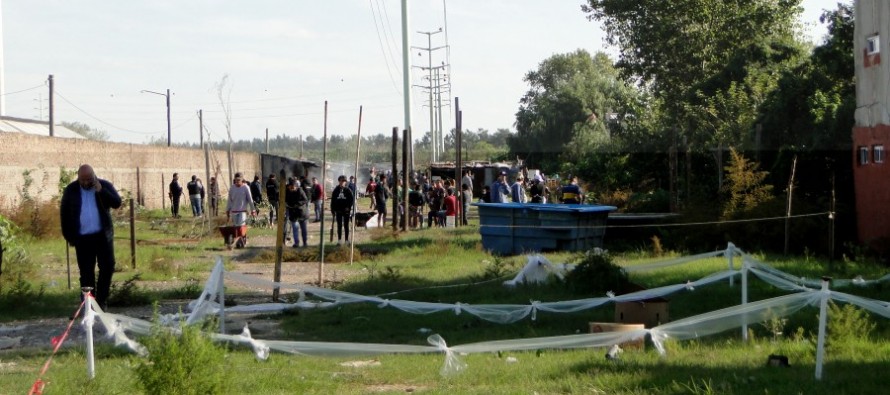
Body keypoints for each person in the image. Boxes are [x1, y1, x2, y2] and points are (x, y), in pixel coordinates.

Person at [60, 164, 122, 310]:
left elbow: (117, 203)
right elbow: (64, 214)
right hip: (82, 239)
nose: (86, 182)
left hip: (102, 236)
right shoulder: (71, 190)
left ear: (94, 176)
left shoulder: (104, 185)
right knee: (86, 273)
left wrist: (101, 191)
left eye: (89, 179)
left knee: (107, 267)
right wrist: (70, 237)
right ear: (78, 178)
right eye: (83, 180)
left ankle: (101, 300)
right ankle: (89, 304)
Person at [285, 178, 310, 248]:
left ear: (295, 186)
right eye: (290, 187)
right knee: (295, 229)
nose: (291, 189)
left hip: (302, 213)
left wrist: (296, 204)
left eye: (292, 187)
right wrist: (286, 204)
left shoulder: (300, 191)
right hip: (293, 214)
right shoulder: (287, 191)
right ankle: (296, 243)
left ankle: (305, 243)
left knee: (303, 230)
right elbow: (285, 199)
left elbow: (305, 199)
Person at [330, 175, 354, 244]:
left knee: (346, 225)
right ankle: (339, 240)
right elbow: (333, 200)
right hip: (338, 210)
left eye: (344, 181)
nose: (342, 182)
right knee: (339, 225)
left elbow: (351, 200)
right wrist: (332, 209)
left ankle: (347, 240)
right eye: (341, 181)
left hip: (346, 211)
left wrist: (348, 207)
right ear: (339, 181)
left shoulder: (348, 190)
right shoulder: (336, 190)